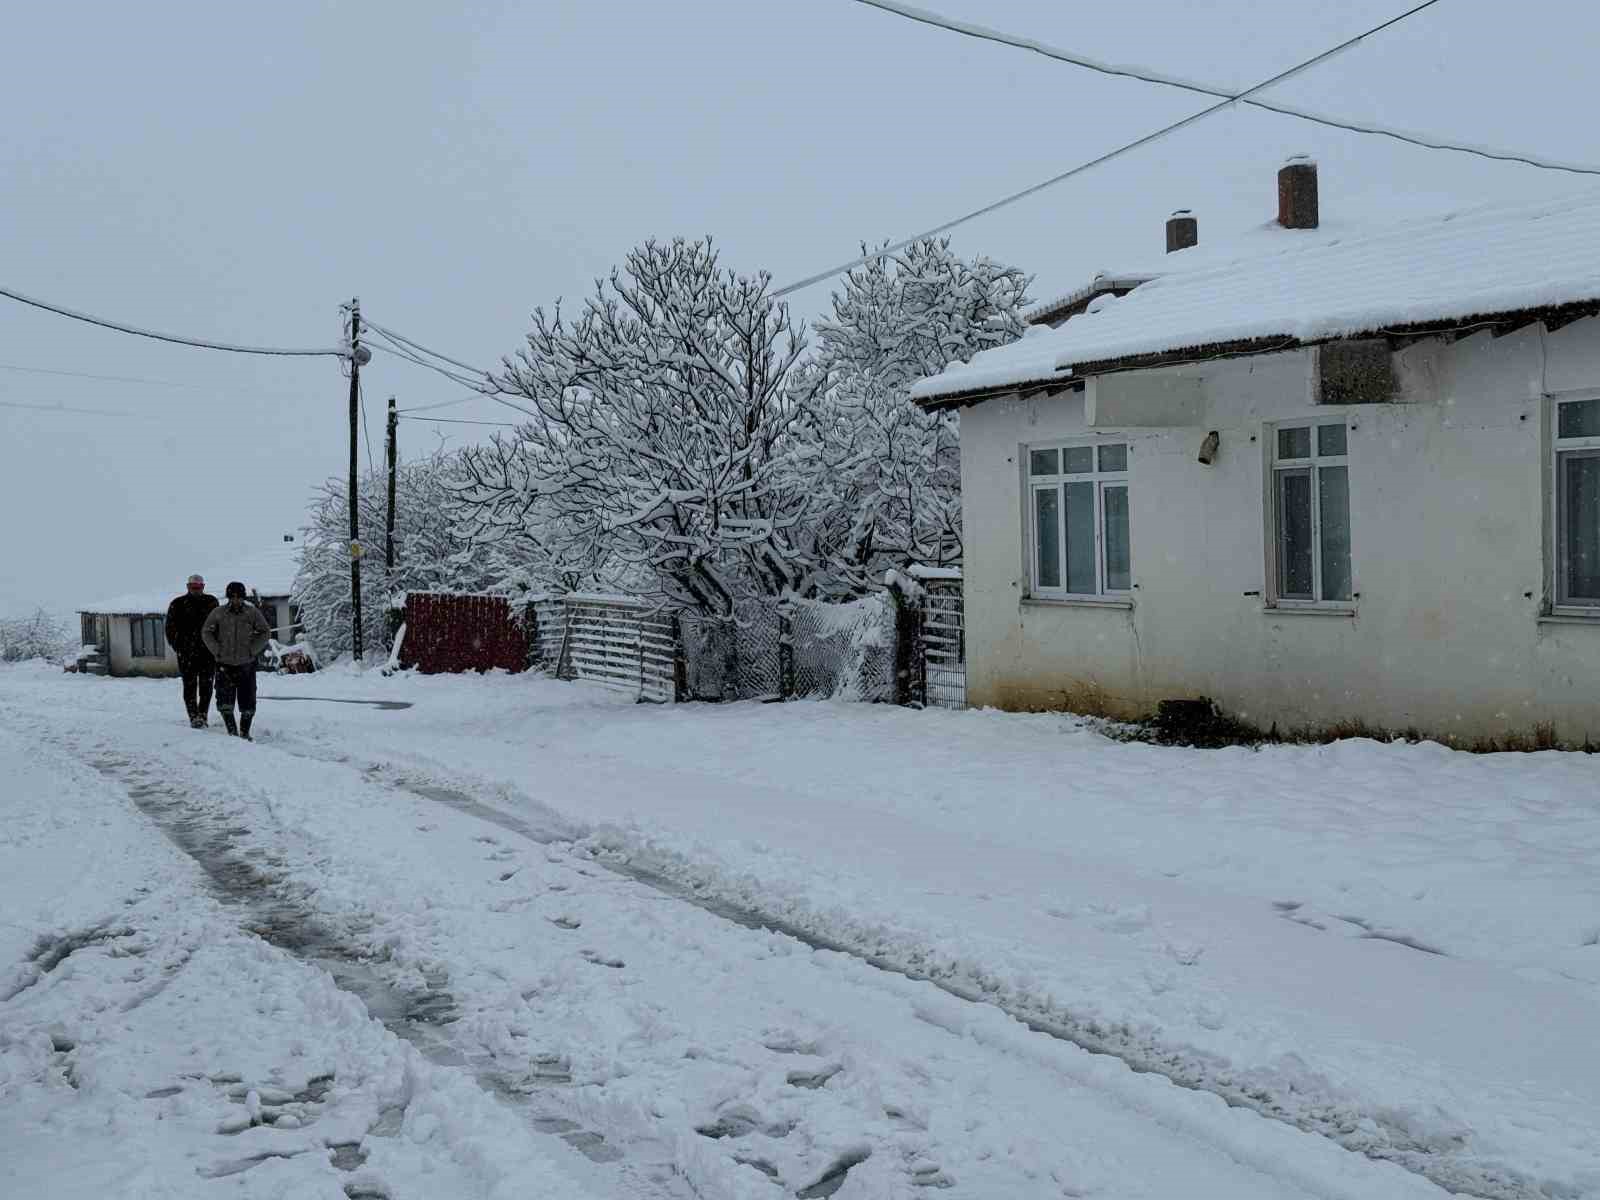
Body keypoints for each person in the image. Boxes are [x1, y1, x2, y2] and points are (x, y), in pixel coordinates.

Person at [201, 581, 271, 740]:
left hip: (246, 664)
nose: (236, 600)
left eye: (239, 597)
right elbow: (206, 632)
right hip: (224, 663)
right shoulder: (218, 613)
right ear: (228, 597)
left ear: (243, 597)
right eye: (232, 597)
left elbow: (265, 632)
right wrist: (216, 650)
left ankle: (245, 732)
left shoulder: (252, 613)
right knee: (224, 700)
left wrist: (252, 650)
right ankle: (232, 733)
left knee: (248, 700)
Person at [165, 574, 218, 728]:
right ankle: (193, 716)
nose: (196, 590)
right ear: (188, 587)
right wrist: (179, 647)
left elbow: (219, 625)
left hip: (207, 653)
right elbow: (170, 628)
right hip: (186, 653)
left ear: (203, 587)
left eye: (199, 587)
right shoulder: (177, 604)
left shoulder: (211, 602)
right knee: (189, 686)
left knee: (206, 686)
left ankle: (203, 714)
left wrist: (216, 647)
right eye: (193, 587)